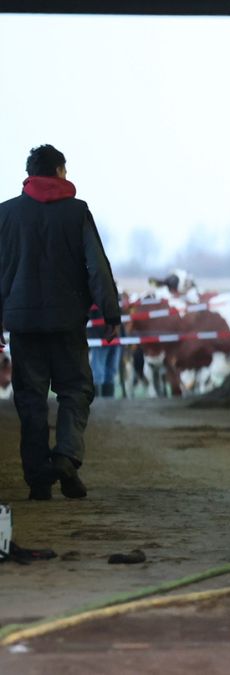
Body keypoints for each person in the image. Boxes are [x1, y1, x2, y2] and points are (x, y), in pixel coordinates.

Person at [0, 144, 120, 500]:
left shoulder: (6, 214)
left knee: (31, 399)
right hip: (67, 323)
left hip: (23, 327)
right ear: (59, 172)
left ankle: (39, 480)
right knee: (76, 391)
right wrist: (110, 313)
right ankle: (66, 458)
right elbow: (96, 266)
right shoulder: (77, 212)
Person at [87, 303, 122, 398]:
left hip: (115, 337)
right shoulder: (93, 291)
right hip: (99, 337)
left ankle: (108, 403)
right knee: (98, 373)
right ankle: (98, 403)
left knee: (111, 372)